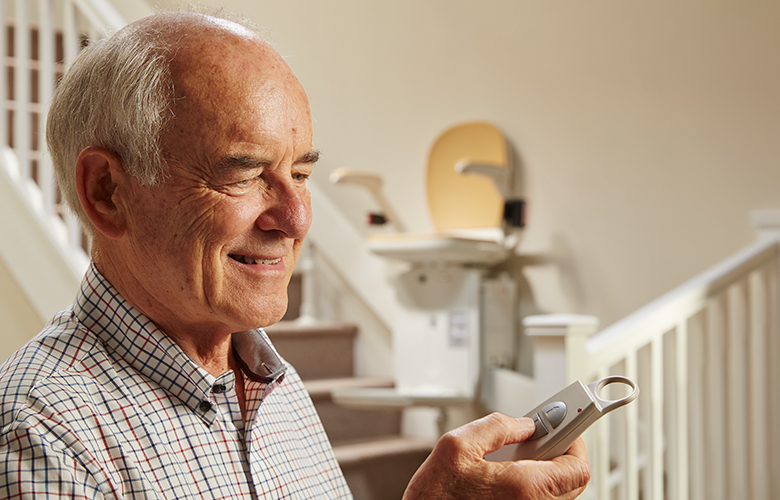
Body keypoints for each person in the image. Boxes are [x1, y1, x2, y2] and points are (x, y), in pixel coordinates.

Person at [0, 9, 590, 499]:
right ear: (107, 192)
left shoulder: (273, 384)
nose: (297, 218)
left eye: (301, 173)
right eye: (245, 174)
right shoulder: (41, 436)